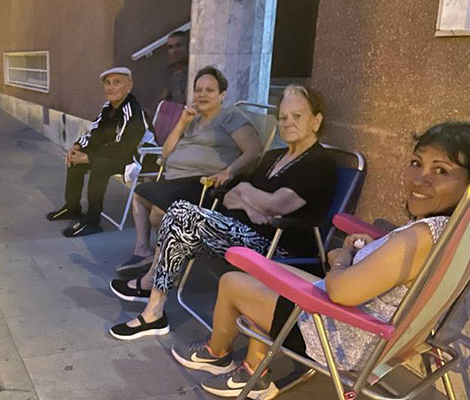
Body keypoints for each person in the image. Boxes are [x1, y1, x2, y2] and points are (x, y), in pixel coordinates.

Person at [171, 122, 470, 398]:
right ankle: (253, 371)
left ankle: (216, 353)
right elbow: (395, 272)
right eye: (417, 163)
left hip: (341, 338)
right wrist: (369, 248)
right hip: (376, 331)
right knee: (264, 275)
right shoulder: (452, 232)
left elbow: (340, 292)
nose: (420, 178)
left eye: (441, 171)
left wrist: (341, 258)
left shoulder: (418, 238)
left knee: (234, 280)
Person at [109, 85, 336, 340]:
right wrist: (248, 200)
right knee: (178, 215)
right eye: (283, 117)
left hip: (277, 246)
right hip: (243, 230)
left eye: (297, 116)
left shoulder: (320, 163)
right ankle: (154, 308)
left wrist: (245, 192)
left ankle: (153, 309)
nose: (288, 123)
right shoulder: (273, 156)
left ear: (316, 121)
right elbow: (230, 196)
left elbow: (276, 206)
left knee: (181, 215)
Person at [117, 66, 263, 275]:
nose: (202, 94)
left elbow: (255, 150)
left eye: (210, 90)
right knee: (140, 192)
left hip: (203, 184)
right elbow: (166, 153)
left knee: (158, 212)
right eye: (198, 89)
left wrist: (229, 172)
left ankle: (166, 266)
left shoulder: (231, 117)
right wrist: (181, 123)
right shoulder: (192, 118)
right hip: (175, 179)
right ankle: (143, 252)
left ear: (222, 95)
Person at [46, 67, 152, 237]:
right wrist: (78, 147)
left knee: (100, 164)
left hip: (140, 157)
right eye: (107, 83)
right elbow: (94, 133)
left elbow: (125, 147)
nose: (110, 87)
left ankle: (92, 221)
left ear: (129, 86)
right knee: (76, 159)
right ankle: (72, 207)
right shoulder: (108, 108)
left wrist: (89, 157)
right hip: (120, 152)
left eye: (117, 82)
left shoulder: (133, 111)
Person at [159, 30, 189, 105]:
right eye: (170, 47)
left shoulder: (193, 69)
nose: (174, 51)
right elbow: (163, 99)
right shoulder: (169, 72)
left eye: (178, 45)